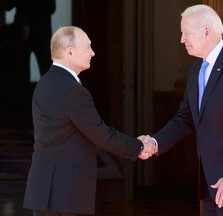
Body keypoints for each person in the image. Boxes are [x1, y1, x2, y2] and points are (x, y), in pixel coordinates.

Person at [139, 4, 223, 216]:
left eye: (186, 33)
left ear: (206, 31)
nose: (182, 39)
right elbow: (185, 118)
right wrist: (155, 143)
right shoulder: (196, 70)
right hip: (210, 180)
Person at [23, 26, 155, 216]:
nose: (92, 53)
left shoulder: (44, 82)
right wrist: (140, 146)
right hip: (65, 193)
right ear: (70, 51)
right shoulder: (72, 91)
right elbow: (102, 135)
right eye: (87, 47)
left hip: (43, 190)